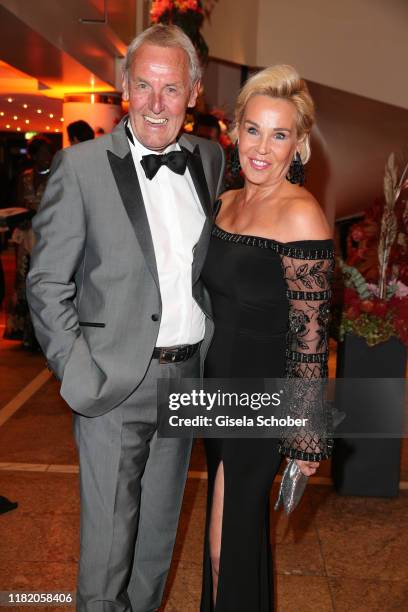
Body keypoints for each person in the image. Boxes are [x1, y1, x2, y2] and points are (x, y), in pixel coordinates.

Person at [27, 24, 225, 612]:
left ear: (193, 92)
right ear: (124, 88)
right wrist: (78, 371)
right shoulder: (81, 166)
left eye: (170, 89)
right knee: (108, 549)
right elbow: (46, 282)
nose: (155, 103)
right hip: (115, 382)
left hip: (187, 379)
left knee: (157, 542)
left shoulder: (210, 160)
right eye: (143, 86)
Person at [200, 64, 334, 611]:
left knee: (224, 547)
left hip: (260, 398)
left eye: (279, 135)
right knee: (233, 541)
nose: (262, 147)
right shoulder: (227, 201)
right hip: (214, 391)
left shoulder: (303, 217)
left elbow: (312, 337)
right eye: (253, 129)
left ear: (298, 146)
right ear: (235, 130)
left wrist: (307, 439)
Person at [4, 136, 54, 348]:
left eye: (48, 153)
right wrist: (21, 217)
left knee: (43, 282)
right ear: (33, 156)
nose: (46, 158)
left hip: (48, 236)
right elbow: (17, 203)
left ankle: (42, 332)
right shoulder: (24, 177)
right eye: (41, 153)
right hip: (26, 237)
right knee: (23, 279)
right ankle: (24, 330)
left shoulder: (56, 176)